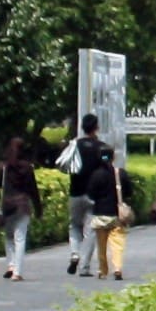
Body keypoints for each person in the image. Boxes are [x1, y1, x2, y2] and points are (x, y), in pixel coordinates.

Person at [64, 114, 112, 277]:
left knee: (74, 225)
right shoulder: (102, 147)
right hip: (94, 195)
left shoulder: (75, 145)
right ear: (96, 127)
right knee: (91, 230)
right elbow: (108, 165)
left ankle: (74, 253)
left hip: (75, 191)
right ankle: (84, 266)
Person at [85, 144, 137, 281]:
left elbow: (90, 195)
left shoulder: (95, 175)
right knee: (117, 243)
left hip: (100, 214)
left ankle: (103, 271)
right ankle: (117, 268)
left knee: (101, 245)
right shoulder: (120, 173)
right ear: (113, 157)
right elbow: (129, 192)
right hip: (116, 215)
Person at [0, 137, 43, 281]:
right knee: (20, 238)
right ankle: (17, 272)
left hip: (7, 205)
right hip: (22, 205)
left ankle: (10, 264)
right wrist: (38, 209)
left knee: (9, 237)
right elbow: (33, 190)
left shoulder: (3, 166)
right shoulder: (27, 167)